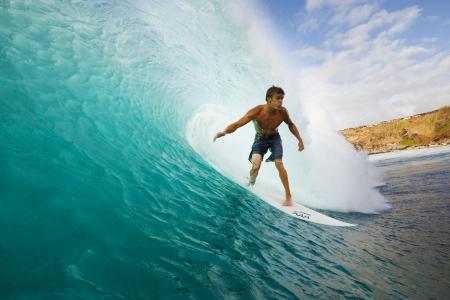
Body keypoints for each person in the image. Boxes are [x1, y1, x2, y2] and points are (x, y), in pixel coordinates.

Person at [213, 86, 304, 206]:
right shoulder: (257, 111)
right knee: (256, 165)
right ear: (269, 99)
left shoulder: (283, 112)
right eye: (278, 98)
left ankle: (288, 196)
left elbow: (291, 124)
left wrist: (300, 139)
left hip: (274, 138)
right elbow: (237, 124)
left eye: (282, 98)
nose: (281, 101)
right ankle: (251, 181)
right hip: (260, 139)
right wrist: (224, 132)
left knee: (279, 163)